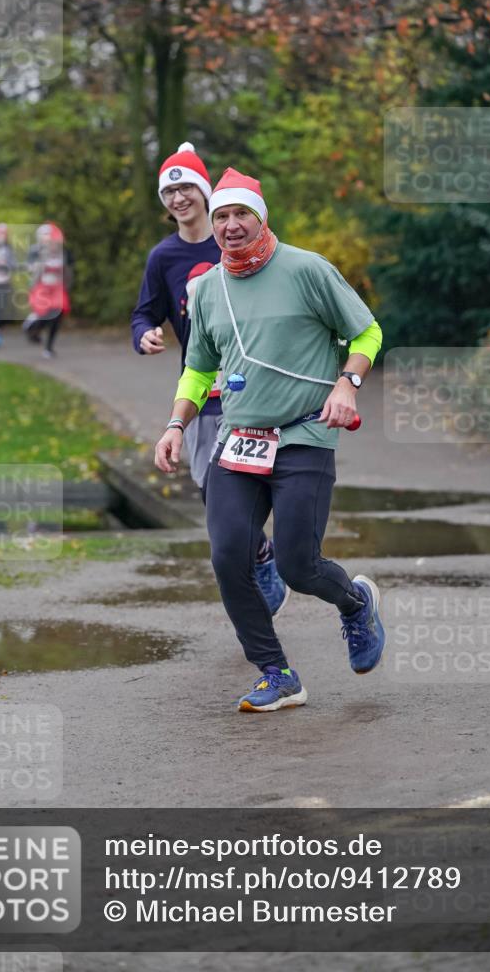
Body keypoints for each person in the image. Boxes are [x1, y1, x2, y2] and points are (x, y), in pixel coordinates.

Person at [154, 167, 385, 712]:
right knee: (229, 553)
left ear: (261, 218)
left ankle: (355, 602)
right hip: (237, 440)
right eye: (222, 217)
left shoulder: (307, 269)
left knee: (296, 565)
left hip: (305, 433)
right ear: (211, 225)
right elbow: (199, 366)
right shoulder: (206, 289)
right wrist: (175, 423)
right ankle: (277, 673)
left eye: (241, 215)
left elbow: (367, 331)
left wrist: (347, 385)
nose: (231, 226)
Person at [132, 143, 287, 615]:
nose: (178, 198)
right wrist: (146, 335)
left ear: (205, 192)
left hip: (256, 386)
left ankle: (279, 554)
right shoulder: (164, 257)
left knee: (256, 480)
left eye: (185, 188)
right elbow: (144, 313)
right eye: (169, 191)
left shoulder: (239, 238)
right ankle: (262, 553)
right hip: (201, 392)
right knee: (210, 490)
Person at [25, 222, 73, 358]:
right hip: (42, 288)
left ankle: (49, 347)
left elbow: (68, 272)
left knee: (57, 316)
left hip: (58, 289)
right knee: (45, 315)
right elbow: (30, 269)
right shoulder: (36, 251)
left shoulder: (63, 253)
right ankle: (32, 327)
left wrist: (67, 286)